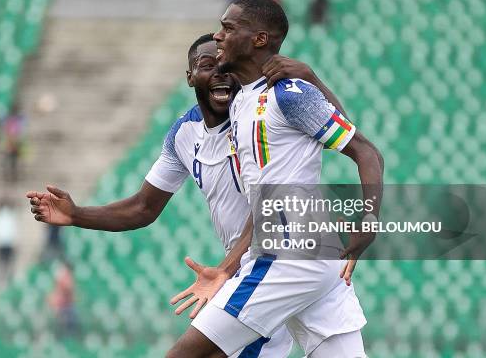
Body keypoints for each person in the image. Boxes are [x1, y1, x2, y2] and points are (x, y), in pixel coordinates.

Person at [26, 33, 351, 356]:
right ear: (190, 76)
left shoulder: (265, 115)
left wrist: (227, 268)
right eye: (208, 65)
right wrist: (76, 214)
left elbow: (333, 142)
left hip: (272, 259)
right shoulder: (185, 132)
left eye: (226, 65)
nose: (220, 73)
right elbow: (143, 207)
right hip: (277, 262)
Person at [167, 0, 384, 358]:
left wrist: (370, 217)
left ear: (259, 39)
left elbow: (364, 149)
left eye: (228, 28)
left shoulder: (287, 94)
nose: (218, 36)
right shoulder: (240, 98)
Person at [0, 197, 18, 286]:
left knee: (6, 262)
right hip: (2, 241)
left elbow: (13, 229)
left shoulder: (10, 215)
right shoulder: (0, 215)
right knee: (0, 262)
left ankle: (5, 279)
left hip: (6, 241)